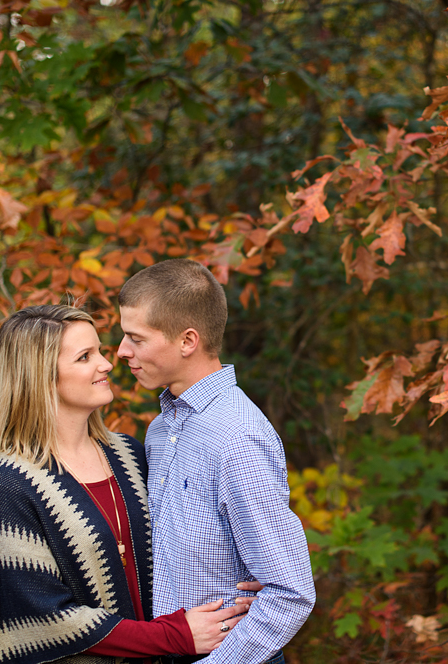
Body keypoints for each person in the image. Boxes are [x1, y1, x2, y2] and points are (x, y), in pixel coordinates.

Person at [0, 305, 260, 664]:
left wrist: (245, 573)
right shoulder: (9, 486)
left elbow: (185, 538)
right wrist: (174, 636)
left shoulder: (129, 455)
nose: (106, 364)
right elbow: (44, 617)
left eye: (100, 351)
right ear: (39, 377)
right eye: (85, 357)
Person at [116, 260, 315, 664]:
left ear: (187, 341)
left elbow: (291, 592)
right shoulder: (160, 431)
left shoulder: (237, 437)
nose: (121, 351)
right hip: (167, 645)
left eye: (136, 338)